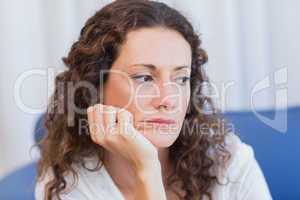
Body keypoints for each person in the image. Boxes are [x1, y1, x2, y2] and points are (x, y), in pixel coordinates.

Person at [35, 0, 272, 199]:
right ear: (96, 87)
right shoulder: (68, 185)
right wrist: (147, 168)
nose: (168, 100)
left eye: (181, 79)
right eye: (144, 78)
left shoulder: (229, 164)